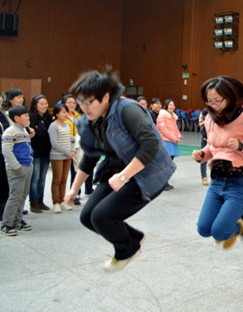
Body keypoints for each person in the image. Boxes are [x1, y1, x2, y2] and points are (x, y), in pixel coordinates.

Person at [64, 67, 176, 272]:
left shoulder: (127, 109)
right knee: (87, 217)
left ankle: (126, 251)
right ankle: (134, 238)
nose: (84, 107)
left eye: (89, 101)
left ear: (105, 96)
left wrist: (124, 176)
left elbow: (150, 144)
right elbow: (89, 156)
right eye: (80, 101)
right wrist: (73, 189)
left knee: (101, 217)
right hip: (115, 172)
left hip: (147, 173)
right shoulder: (90, 121)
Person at [192, 76, 243, 250]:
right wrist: (202, 155)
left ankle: (242, 223)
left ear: (229, 98)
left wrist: (241, 145)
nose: (213, 105)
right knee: (203, 229)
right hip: (217, 181)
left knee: (219, 232)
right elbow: (212, 147)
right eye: (209, 101)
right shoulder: (210, 119)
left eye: (217, 100)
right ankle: (241, 216)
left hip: (239, 183)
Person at [0, 105, 33, 236]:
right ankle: (6, 224)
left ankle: (18, 220)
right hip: (17, 168)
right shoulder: (10, 131)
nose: (28, 117)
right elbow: (7, 151)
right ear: (16, 118)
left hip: (28, 166)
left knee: (23, 195)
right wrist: (17, 166)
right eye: (25, 115)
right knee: (15, 196)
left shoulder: (24, 131)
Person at [64, 94, 93, 205]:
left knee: (78, 170)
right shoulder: (62, 116)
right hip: (66, 148)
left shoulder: (78, 116)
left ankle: (77, 193)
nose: (72, 105)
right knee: (72, 172)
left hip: (79, 146)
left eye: (73, 103)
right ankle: (72, 194)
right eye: (69, 102)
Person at [48, 104, 76, 213]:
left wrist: (73, 149)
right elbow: (54, 143)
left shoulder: (66, 125)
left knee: (64, 179)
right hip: (57, 156)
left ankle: (62, 201)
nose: (65, 114)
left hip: (67, 155)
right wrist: (67, 152)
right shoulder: (53, 126)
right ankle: (55, 202)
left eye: (66, 112)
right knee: (57, 179)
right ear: (56, 114)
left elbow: (70, 139)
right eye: (63, 112)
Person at [28, 94, 52, 213]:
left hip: (46, 152)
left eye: (46, 103)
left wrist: (39, 131)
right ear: (35, 105)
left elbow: (48, 133)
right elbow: (36, 133)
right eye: (41, 104)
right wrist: (40, 131)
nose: (44, 106)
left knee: (42, 178)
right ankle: (33, 202)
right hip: (35, 151)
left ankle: (41, 200)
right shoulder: (32, 117)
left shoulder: (48, 117)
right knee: (35, 178)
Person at [156, 98, 182, 190]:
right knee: (165, 163)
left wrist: (178, 136)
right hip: (166, 142)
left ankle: (165, 182)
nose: (172, 107)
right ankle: (162, 183)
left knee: (169, 163)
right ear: (166, 106)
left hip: (172, 141)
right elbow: (163, 130)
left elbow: (175, 128)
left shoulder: (172, 117)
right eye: (170, 105)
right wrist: (174, 138)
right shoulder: (162, 116)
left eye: (173, 105)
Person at [0, 91, 11, 222]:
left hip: (4, 153)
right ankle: (1, 210)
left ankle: (3, 210)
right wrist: (7, 138)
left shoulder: (2, 114)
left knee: (4, 183)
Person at [198, 108, 210, 186]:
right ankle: (204, 177)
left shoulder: (219, 112)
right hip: (205, 139)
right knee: (203, 158)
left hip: (217, 139)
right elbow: (200, 124)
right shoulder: (203, 113)